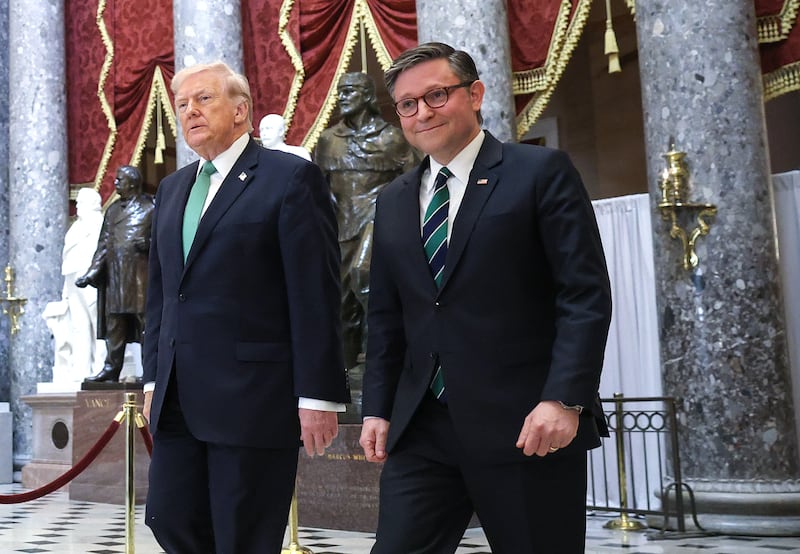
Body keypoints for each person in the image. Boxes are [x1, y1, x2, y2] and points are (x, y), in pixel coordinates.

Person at [359, 42, 613, 553]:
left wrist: (564, 398)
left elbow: (584, 295)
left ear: (474, 94)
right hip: (423, 427)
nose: (422, 112)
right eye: (407, 104)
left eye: (436, 95)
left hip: (525, 424)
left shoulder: (539, 172)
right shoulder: (393, 200)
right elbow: (387, 316)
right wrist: (377, 409)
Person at [142, 61, 349, 553]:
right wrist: (152, 380)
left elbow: (315, 293)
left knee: (244, 536)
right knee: (169, 518)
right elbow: (161, 296)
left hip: (253, 399)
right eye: (182, 104)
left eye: (203, 99)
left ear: (241, 111)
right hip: (177, 398)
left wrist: (318, 395)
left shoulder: (289, 178)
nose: (190, 111)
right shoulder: (172, 189)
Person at [314, 72, 417, 371]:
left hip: (378, 221)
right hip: (341, 225)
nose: (342, 97)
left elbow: (413, 183)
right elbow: (319, 189)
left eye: (350, 91)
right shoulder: (328, 140)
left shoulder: (392, 138)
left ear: (368, 96)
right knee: (341, 301)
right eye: (341, 91)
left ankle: (381, 365)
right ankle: (344, 373)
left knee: (366, 278)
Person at [76, 166, 153, 383]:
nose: (115, 184)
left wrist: (149, 243)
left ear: (133, 183)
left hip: (140, 278)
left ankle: (150, 370)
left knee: (145, 325)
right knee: (115, 325)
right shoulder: (112, 211)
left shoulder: (150, 208)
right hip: (116, 277)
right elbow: (103, 245)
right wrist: (91, 273)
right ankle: (111, 368)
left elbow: (166, 240)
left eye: (120, 180)